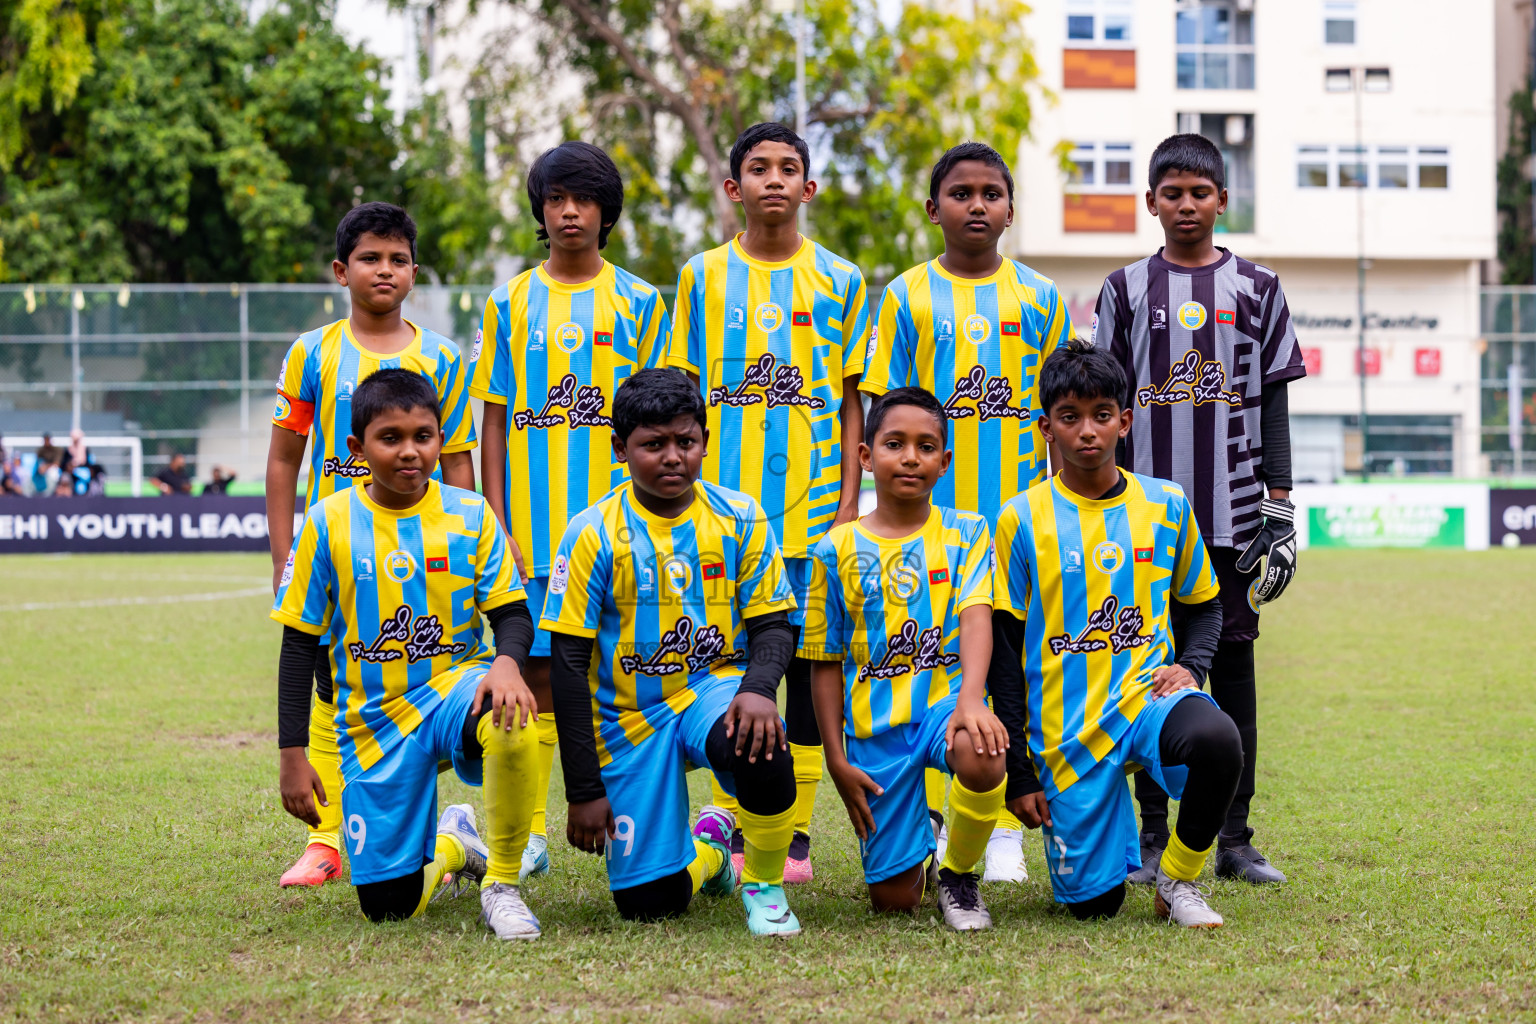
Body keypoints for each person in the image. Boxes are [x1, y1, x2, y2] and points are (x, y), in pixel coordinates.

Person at [1092, 133, 1306, 886]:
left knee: (1235, 672)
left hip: (1233, 516)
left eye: (1200, 192)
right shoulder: (1123, 289)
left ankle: (1235, 839)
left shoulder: (1257, 286)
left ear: (1222, 200)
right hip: (1141, 523)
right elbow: (1103, 402)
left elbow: (1273, 399)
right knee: (1144, 675)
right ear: (1150, 202)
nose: (1186, 205)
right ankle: (1154, 838)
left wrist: (1279, 500)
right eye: (1172, 192)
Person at [861, 141, 1075, 884]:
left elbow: (1062, 415)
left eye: (991, 193)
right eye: (961, 193)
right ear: (934, 209)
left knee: (1013, 667)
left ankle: (1008, 818)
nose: (977, 204)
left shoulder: (1043, 298)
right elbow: (885, 409)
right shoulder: (907, 297)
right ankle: (925, 814)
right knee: (919, 665)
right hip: (928, 526)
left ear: (1012, 208)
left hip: (1015, 524)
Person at [271, 368, 543, 939]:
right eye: (390, 438)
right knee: (388, 907)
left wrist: (508, 662)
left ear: (440, 440)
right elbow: (298, 647)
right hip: (373, 727)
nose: (410, 451)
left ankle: (502, 883)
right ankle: (452, 844)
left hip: (452, 693)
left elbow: (513, 616)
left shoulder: (470, 513)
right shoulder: (327, 523)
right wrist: (293, 754)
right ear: (357, 447)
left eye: (423, 436)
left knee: (511, 714)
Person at [667, 122, 870, 883]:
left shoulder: (842, 280)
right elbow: (686, 398)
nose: (775, 180)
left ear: (809, 188)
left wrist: (851, 501)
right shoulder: (701, 278)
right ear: (734, 188)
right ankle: (735, 821)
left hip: (815, 515)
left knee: (811, 671)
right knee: (732, 670)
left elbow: (853, 398)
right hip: (724, 518)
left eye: (790, 168)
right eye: (759, 168)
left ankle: (795, 838)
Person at [542, 367, 804, 937]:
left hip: (711, 692)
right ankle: (709, 849)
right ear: (620, 447)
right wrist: (583, 789)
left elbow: (776, 627)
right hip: (627, 718)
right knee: (650, 905)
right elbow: (566, 666)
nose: (672, 457)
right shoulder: (591, 532)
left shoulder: (740, 514)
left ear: (705, 443)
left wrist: (758, 691)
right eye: (652, 444)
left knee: (760, 740)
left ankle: (763, 882)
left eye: (685, 441)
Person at [990, 340, 1243, 927]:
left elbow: (1205, 607)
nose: (1087, 431)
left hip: (1145, 701)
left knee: (1217, 740)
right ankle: (1105, 832)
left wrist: (1193, 666)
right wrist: (1020, 770)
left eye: (1102, 415)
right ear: (1045, 426)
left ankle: (1177, 880)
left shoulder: (1167, 504)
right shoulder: (1021, 519)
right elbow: (1006, 647)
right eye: (1070, 417)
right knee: (1094, 908)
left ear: (1124, 422)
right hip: (1066, 733)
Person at [470, 141, 669, 884]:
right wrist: (498, 519)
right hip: (530, 528)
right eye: (555, 199)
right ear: (540, 211)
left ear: (605, 212)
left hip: (622, 536)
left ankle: (635, 817)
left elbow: (660, 417)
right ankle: (527, 834)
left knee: (628, 673)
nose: (569, 212)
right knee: (543, 681)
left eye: (583, 200)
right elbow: (493, 416)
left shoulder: (641, 302)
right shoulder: (511, 301)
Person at [265, 201, 478, 888]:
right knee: (333, 683)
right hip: (338, 555)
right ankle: (326, 839)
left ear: (414, 271)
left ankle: (442, 823)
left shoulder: (443, 356)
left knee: (426, 679)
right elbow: (281, 462)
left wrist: (476, 544)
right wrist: (282, 556)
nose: (383, 270)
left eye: (396, 259)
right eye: (369, 258)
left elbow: (460, 463)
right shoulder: (312, 353)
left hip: (429, 558)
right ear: (340, 270)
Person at [801, 387, 1008, 930]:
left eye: (925, 446)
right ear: (867, 457)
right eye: (895, 444)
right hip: (876, 735)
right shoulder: (834, 549)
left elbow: (976, 615)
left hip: (945, 709)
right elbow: (823, 661)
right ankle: (923, 832)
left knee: (981, 752)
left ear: (944, 461)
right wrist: (835, 757)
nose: (911, 457)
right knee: (895, 902)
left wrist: (970, 701)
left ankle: (959, 875)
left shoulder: (966, 533)